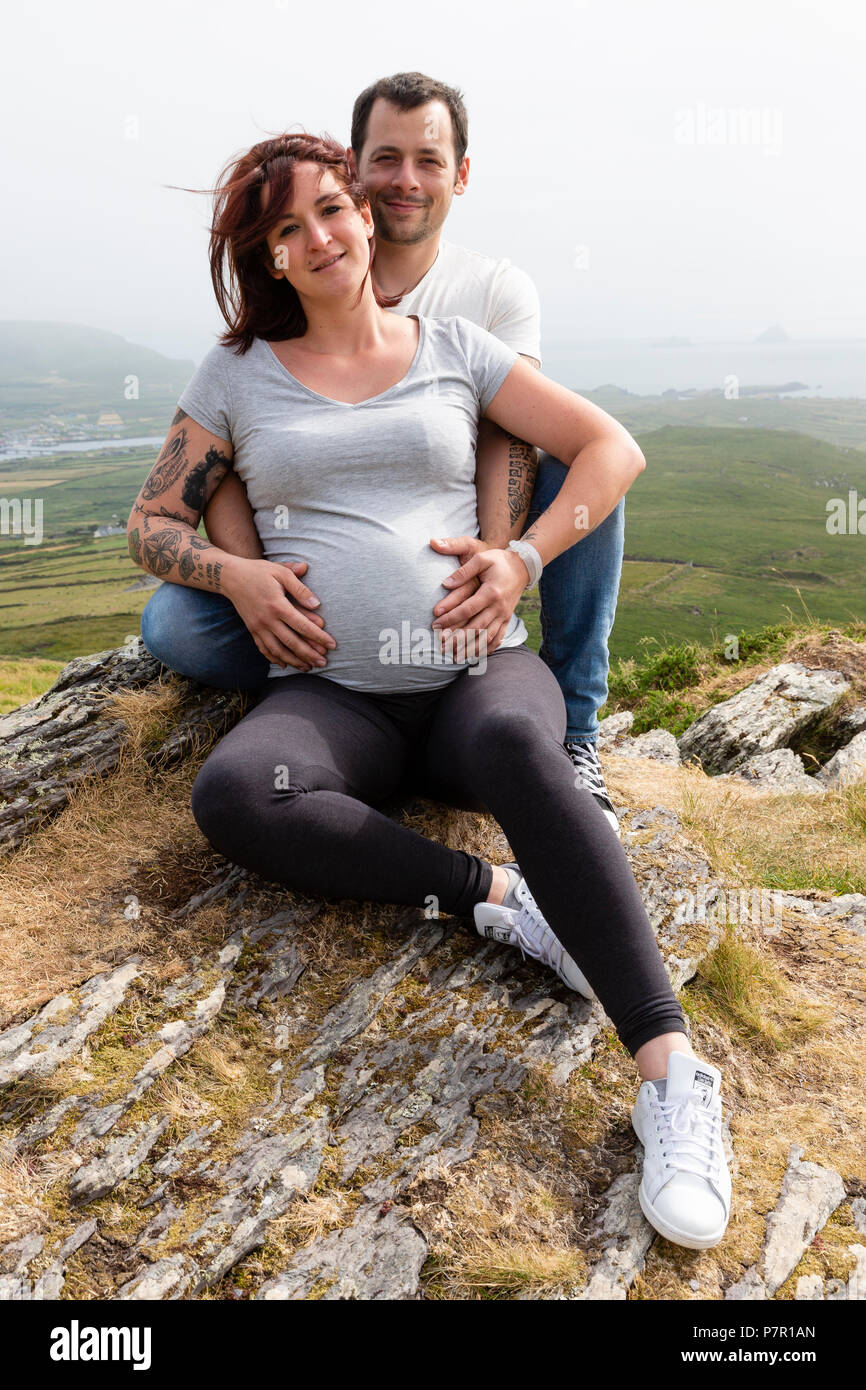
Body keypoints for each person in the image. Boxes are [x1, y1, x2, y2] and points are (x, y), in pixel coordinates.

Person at [126, 130, 732, 1252]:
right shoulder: (235, 376)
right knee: (238, 795)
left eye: (330, 210)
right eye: (285, 231)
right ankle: (497, 900)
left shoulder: (456, 343)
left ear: (363, 213)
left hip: (472, 678)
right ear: (266, 261)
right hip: (336, 699)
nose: (317, 238)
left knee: (518, 746)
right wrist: (237, 573)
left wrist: (523, 559)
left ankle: (670, 1074)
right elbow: (151, 521)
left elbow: (608, 450)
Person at [140, 71, 624, 834]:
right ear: (358, 167)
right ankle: (321, 678)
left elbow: (518, 434)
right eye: (386, 158)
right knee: (172, 626)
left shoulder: (483, 303)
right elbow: (205, 470)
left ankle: (577, 729)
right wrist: (244, 574)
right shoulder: (255, 351)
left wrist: (505, 564)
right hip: (321, 610)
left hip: (474, 546)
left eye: (428, 160)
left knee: (583, 477)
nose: (406, 180)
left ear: (458, 175)